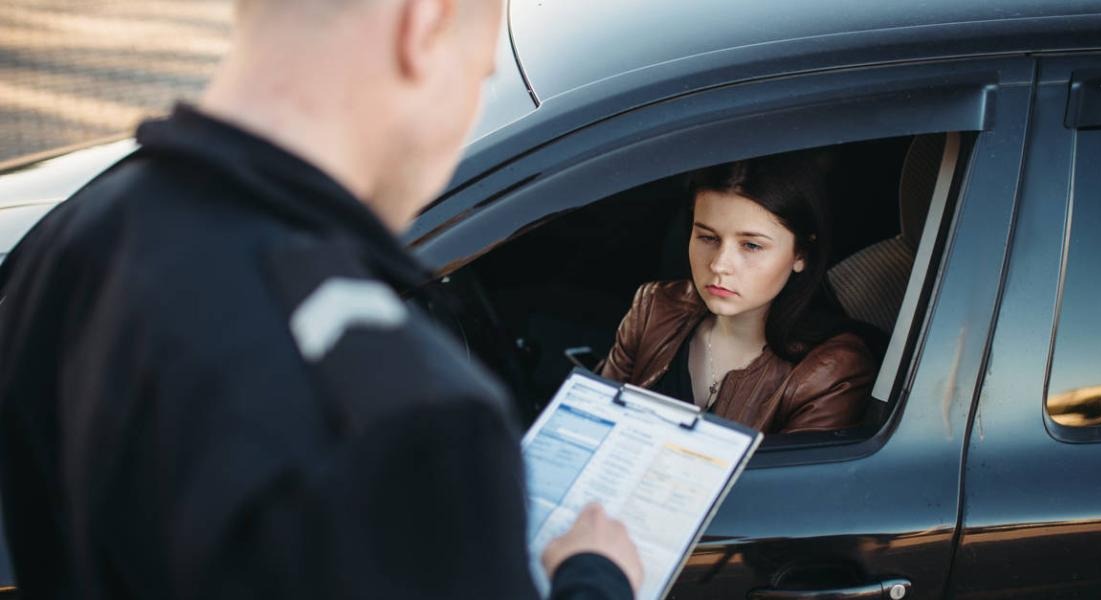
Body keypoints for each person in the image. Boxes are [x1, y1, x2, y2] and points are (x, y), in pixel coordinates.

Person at [0, 0, 641, 598]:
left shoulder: (69, 241)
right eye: (480, 77)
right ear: (423, 25)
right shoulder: (418, 425)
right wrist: (595, 581)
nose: (468, 114)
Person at [598, 153, 877, 434]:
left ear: (801, 254)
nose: (719, 265)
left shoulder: (829, 372)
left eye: (751, 246)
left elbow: (787, 479)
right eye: (708, 238)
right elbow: (591, 425)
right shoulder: (655, 309)